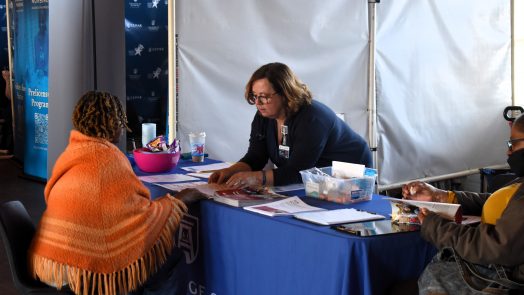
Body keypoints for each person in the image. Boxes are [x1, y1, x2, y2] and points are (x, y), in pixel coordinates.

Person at [28, 91, 205, 295]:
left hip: (53, 261)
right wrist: (179, 200)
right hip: (81, 273)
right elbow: (141, 219)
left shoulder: (72, 153)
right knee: (168, 257)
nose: (124, 127)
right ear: (114, 124)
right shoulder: (107, 158)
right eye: (122, 120)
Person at [402, 114, 524, 294]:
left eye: (513, 143)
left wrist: (434, 226)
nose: (508, 151)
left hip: (506, 280)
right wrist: (442, 196)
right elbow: (498, 203)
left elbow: (490, 247)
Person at [209, 62, 372, 188]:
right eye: (255, 96)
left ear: (286, 93)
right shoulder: (264, 116)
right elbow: (255, 157)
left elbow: (298, 171)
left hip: (348, 176)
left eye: (264, 96)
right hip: (316, 180)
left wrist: (257, 177)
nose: (258, 103)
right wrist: (230, 171)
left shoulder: (312, 118)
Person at [0, 69, 12, 154]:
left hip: (5, 106)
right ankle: (4, 146)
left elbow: (8, 96)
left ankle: (5, 146)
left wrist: (7, 80)